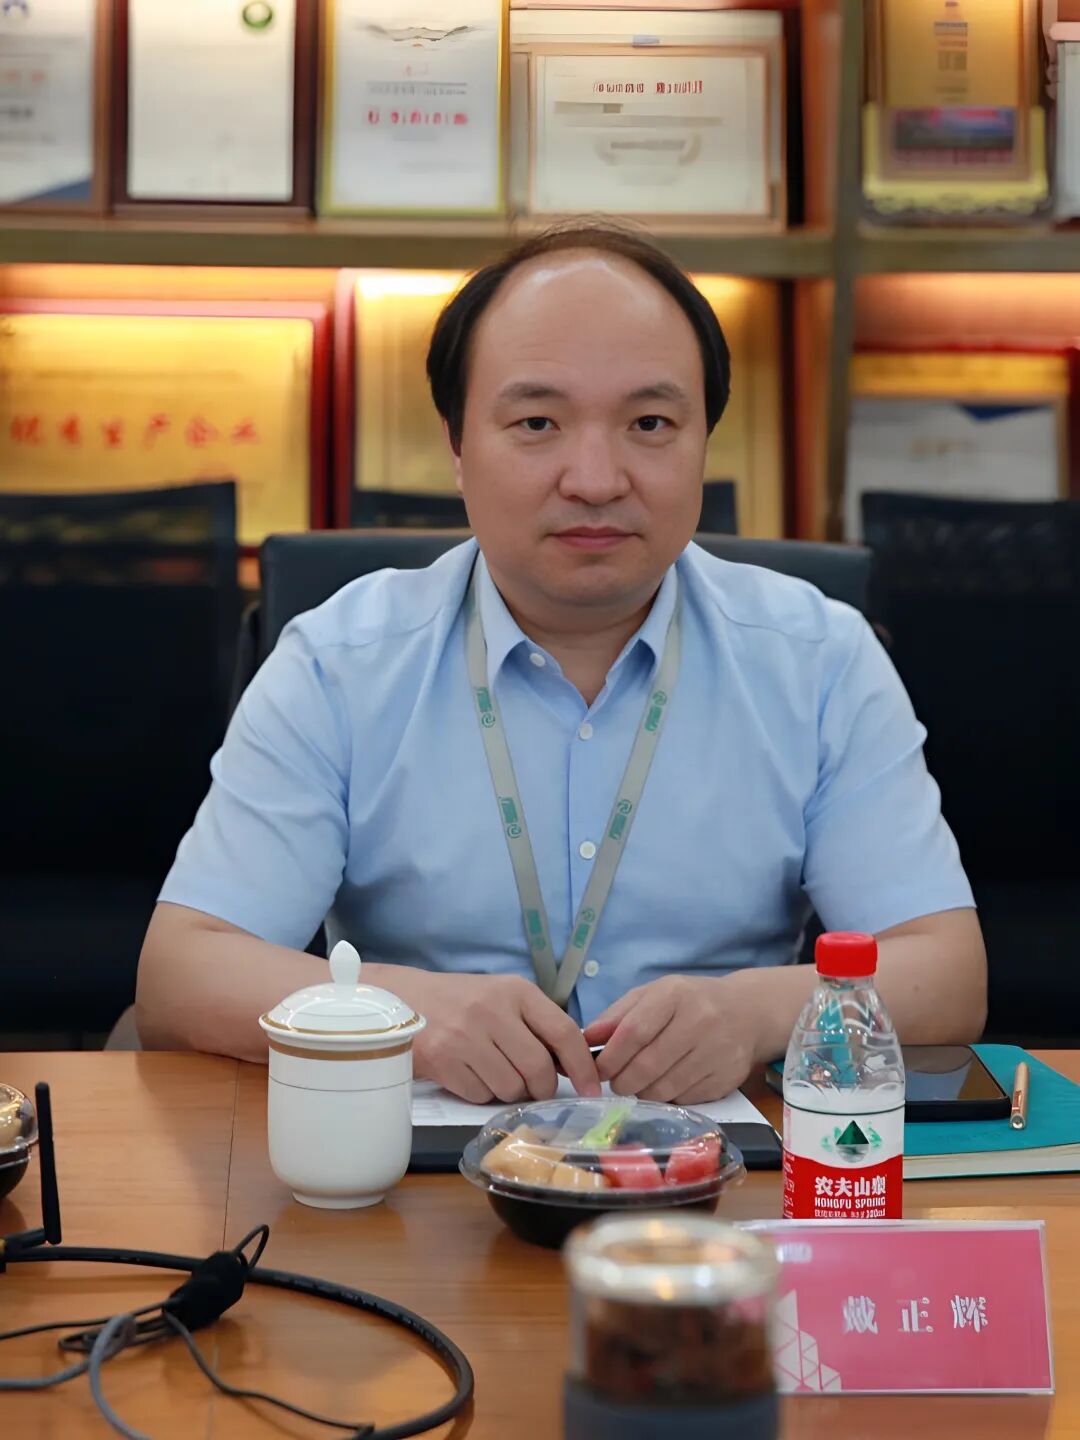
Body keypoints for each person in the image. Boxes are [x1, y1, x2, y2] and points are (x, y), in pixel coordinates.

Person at [136, 223, 986, 1104]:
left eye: (650, 423)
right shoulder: (339, 663)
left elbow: (946, 973)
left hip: (723, 1162)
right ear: (458, 446)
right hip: (415, 1162)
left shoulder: (819, 660)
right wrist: (405, 1015)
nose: (595, 478)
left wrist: (760, 1012)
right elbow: (182, 975)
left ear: (704, 441)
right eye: (537, 422)